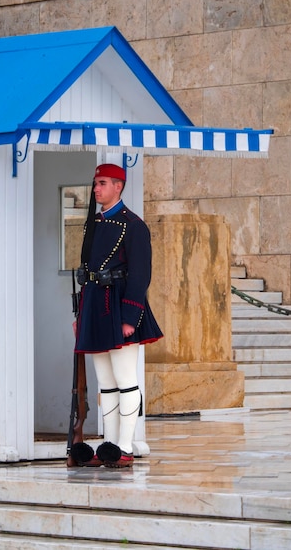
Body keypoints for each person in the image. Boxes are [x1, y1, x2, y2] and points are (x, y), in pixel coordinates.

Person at [70, 163, 163, 468]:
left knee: (126, 380)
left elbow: (140, 274)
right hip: (96, 306)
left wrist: (129, 317)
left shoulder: (133, 225)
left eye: (103, 183)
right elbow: (87, 273)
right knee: (106, 383)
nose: (96, 189)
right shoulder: (94, 223)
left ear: (118, 187)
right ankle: (107, 445)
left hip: (120, 305)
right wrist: (81, 315)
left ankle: (124, 446)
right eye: (96, 183)